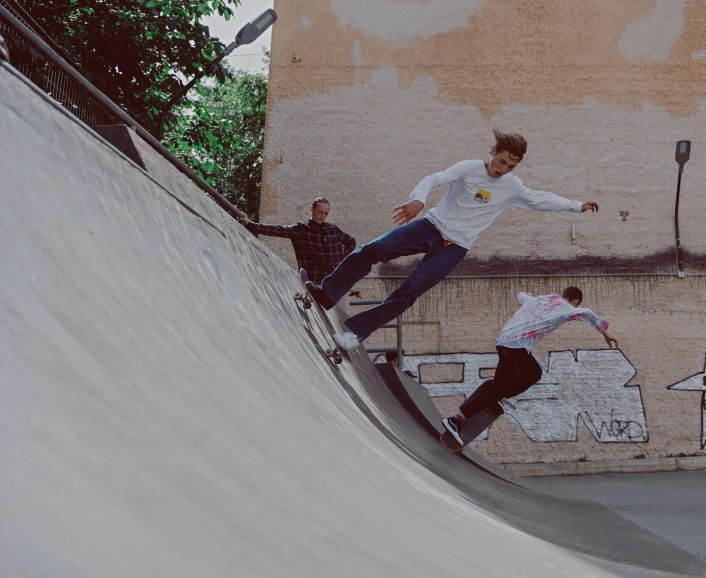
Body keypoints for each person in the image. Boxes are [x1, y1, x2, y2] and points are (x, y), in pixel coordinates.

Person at [304, 129, 600, 352]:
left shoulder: (512, 187)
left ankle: (356, 333)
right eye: (501, 161)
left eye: (511, 166)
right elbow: (434, 178)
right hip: (431, 226)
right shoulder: (469, 168)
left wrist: (576, 205)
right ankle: (328, 293)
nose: (503, 169)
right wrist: (418, 200)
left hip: (454, 247)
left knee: (409, 291)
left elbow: (539, 200)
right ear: (493, 151)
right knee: (373, 249)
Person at [441, 286, 619, 446]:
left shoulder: (539, 300)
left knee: (534, 373)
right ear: (575, 301)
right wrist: (606, 333)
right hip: (516, 346)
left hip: (508, 341)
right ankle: (456, 420)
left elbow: (521, 295)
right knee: (500, 386)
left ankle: (496, 395)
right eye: (575, 304)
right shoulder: (566, 308)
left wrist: (530, 297)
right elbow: (586, 313)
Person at [238, 198, 360, 297]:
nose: (322, 216)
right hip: (315, 286)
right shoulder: (301, 230)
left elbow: (351, 242)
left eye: (326, 213)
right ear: (312, 209)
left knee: (342, 323)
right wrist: (250, 224)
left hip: (338, 284)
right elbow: (276, 230)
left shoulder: (333, 230)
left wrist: (342, 262)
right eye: (320, 212)